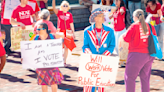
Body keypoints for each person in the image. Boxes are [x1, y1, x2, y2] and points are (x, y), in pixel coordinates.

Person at [22, 23, 64, 92]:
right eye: (36, 29)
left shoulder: (52, 36)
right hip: (41, 66)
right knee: (43, 84)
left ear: (45, 30)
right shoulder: (35, 38)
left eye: (39, 29)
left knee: (53, 83)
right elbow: (31, 50)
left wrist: (59, 51)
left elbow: (62, 36)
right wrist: (25, 58)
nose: (37, 31)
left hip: (52, 65)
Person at [83, 8, 115, 92]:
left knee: (101, 85)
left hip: (103, 61)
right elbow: (85, 46)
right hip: (91, 61)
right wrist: (89, 53)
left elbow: (112, 46)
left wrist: (105, 54)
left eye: (103, 16)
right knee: (89, 86)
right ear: (95, 18)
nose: (103, 18)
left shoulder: (110, 31)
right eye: (101, 16)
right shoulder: (87, 31)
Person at [123, 9, 157, 92]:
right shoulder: (150, 26)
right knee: (145, 78)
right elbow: (155, 38)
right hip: (149, 55)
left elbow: (126, 38)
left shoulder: (134, 26)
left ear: (134, 17)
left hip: (136, 55)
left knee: (130, 78)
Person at [52, 0, 75, 67]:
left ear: (68, 7)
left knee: (66, 47)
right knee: (59, 46)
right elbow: (53, 8)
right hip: (60, 32)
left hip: (67, 32)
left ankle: (64, 62)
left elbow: (71, 24)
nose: (65, 7)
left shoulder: (70, 14)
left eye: (66, 5)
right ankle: (59, 60)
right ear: (61, 6)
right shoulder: (59, 12)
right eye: (64, 5)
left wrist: (73, 32)